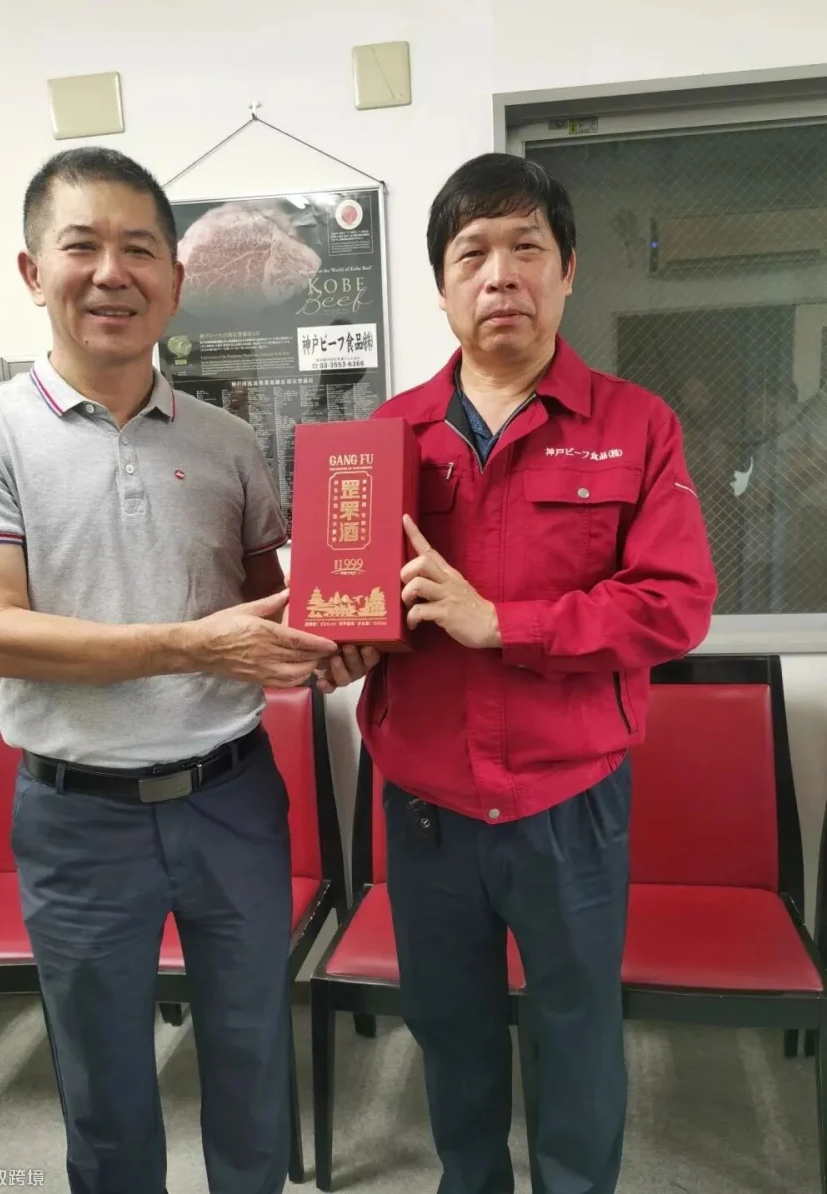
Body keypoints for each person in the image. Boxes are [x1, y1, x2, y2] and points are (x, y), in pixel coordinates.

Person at [0, 147, 374, 1194]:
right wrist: (195, 644)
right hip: (77, 817)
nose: (110, 273)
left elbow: (272, 613)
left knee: (252, 1059)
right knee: (107, 1089)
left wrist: (337, 642)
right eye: (81, 246)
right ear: (34, 271)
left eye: (138, 250)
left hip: (233, 799)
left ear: (175, 279)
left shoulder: (230, 440)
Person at [354, 154, 718, 1194]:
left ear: (568, 272)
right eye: (472, 254)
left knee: (577, 1034)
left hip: (571, 804)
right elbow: (355, 610)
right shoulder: (380, 438)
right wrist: (334, 637)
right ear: (441, 285)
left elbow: (676, 605)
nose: (500, 275)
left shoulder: (635, 426)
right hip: (426, 807)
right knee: (450, 1031)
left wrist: (500, 623)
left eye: (527, 249)